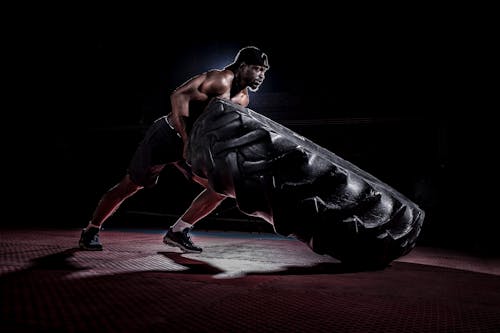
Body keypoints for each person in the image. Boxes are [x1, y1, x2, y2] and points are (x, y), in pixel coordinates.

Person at [79, 46, 270, 253]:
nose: (261, 75)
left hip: (193, 146)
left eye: (264, 71)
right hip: (167, 135)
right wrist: (186, 139)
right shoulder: (220, 79)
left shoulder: (243, 99)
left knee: (220, 189)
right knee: (130, 185)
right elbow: (178, 96)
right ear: (242, 66)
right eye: (257, 69)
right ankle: (91, 229)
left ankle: (178, 231)